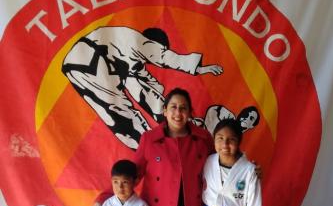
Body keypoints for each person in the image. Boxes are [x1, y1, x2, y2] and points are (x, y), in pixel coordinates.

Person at [62, 25, 222, 149]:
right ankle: (153, 149)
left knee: (126, 100)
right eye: (158, 48)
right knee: (119, 111)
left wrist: (171, 115)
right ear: (153, 43)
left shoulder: (126, 52)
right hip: (88, 61)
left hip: (81, 64)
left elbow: (149, 86)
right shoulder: (137, 41)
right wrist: (200, 68)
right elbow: (163, 57)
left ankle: (154, 145)